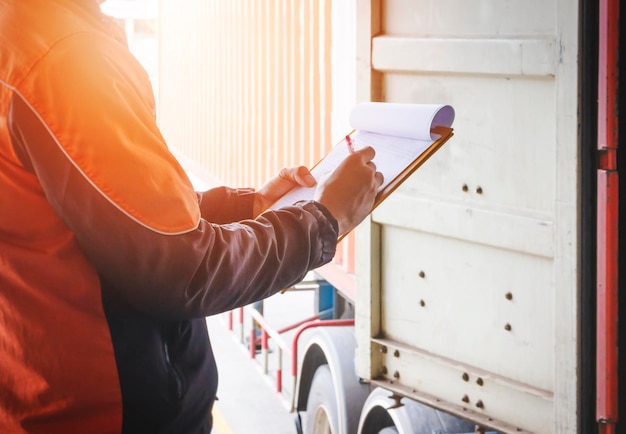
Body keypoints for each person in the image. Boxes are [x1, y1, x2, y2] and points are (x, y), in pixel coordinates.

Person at [0, 0, 383, 433]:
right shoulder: (62, 57)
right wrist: (322, 220)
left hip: (47, 399)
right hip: (111, 417)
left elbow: (108, 216)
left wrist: (247, 207)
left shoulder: (23, 37)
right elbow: (182, 269)